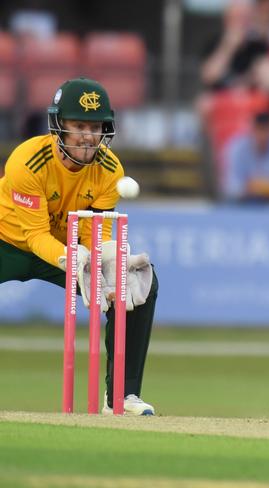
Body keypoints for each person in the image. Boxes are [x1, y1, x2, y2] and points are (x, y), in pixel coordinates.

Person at [0, 77, 158, 416]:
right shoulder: (27, 161)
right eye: (79, 125)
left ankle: (122, 396)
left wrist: (105, 263)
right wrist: (74, 258)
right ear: (59, 126)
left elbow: (94, 233)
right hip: (8, 243)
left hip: (65, 250)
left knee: (135, 281)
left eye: (95, 126)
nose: (88, 136)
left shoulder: (109, 169)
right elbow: (34, 236)